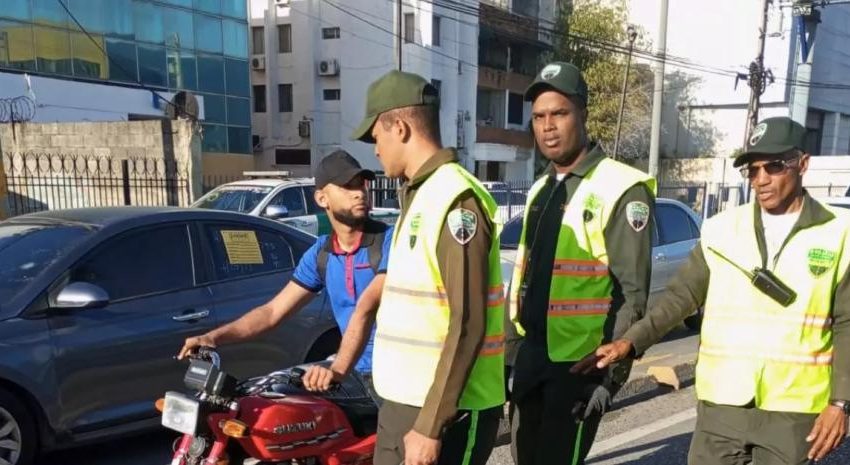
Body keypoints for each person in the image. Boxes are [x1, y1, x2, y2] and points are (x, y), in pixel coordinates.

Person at [576, 116, 850, 465]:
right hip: (722, 403)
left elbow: (846, 323)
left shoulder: (839, 232)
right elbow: (681, 296)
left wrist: (841, 403)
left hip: (792, 411)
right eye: (752, 170)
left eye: (774, 167)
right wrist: (631, 341)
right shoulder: (722, 229)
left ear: (803, 164)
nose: (761, 180)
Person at [303, 70, 505, 465]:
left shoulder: (454, 200)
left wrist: (431, 424)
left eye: (376, 136)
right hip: (402, 403)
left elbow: (468, 322)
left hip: (448, 409)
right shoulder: (417, 198)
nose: (375, 150)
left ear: (400, 128)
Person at [508, 61, 656, 465]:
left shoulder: (622, 188)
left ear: (583, 114)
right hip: (533, 359)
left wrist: (610, 377)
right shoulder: (541, 188)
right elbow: (525, 277)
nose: (547, 126)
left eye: (559, 113)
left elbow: (633, 294)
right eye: (539, 117)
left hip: (579, 368)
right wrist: (511, 352)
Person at [177, 150, 392, 380]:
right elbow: (271, 313)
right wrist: (213, 338)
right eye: (347, 186)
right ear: (322, 199)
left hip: (394, 376)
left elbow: (367, 307)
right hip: (353, 373)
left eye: (361, 185)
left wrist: (337, 367)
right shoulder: (321, 254)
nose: (359, 193)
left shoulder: (389, 241)